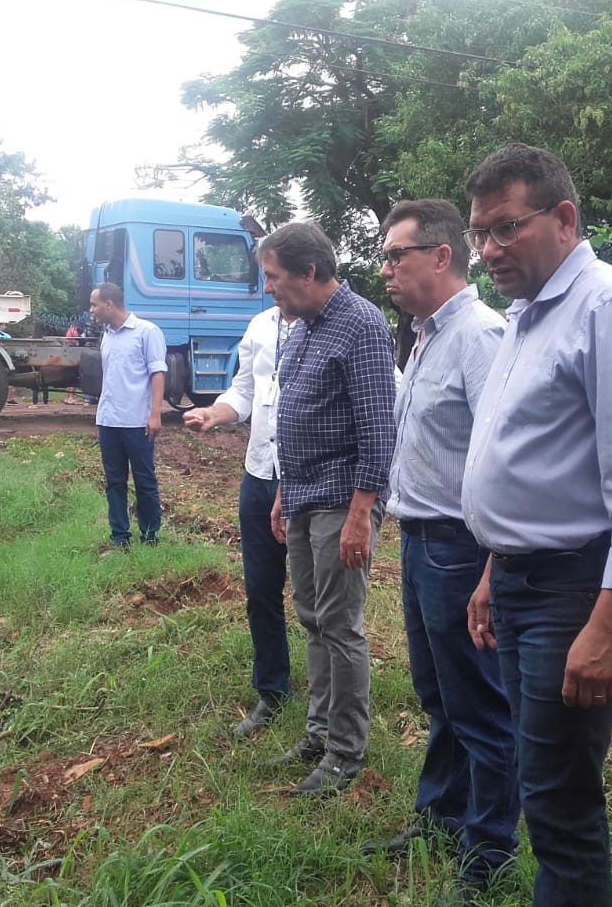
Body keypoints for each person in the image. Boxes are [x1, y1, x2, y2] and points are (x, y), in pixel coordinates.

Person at [460, 144, 612, 907]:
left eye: (505, 228)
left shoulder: (610, 309)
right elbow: (535, 464)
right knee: (539, 775)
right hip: (525, 579)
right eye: (479, 235)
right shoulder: (530, 315)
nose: (488, 250)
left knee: (558, 798)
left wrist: (610, 627)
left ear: (563, 219)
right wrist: (496, 568)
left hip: (578, 587)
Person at [362, 199, 517, 899]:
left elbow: (506, 460)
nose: (386, 269)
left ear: (442, 257)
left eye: (397, 255)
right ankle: (440, 816)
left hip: (461, 545)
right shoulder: (426, 336)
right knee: (439, 696)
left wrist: (493, 566)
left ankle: (488, 854)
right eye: (386, 257)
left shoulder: (481, 337)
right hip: (420, 540)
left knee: (480, 707)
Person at [262, 221, 397, 796]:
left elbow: (377, 428)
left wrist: (361, 512)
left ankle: (346, 750)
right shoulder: (301, 328)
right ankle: (319, 730)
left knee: (341, 627)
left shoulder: (362, 326)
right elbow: (291, 414)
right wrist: (282, 493)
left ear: (309, 273)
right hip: (302, 496)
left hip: (344, 501)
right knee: (313, 618)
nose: (268, 288)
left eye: (273, 277)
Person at [183, 303, 299, 737]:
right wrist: (215, 413)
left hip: (308, 480)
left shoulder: (336, 322)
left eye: (273, 275)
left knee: (317, 600)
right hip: (259, 473)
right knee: (260, 589)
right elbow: (245, 390)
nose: (267, 286)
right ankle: (273, 689)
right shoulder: (260, 324)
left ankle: (331, 706)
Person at [89, 282, 166, 549]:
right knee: (114, 483)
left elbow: (157, 374)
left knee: (144, 481)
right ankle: (119, 538)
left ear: (109, 304)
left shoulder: (147, 332)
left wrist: (155, 414)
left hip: (137, 422)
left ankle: (150, 537)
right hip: (109, 421)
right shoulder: (107, 334)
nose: (92, 310)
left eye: (94, 304)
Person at [0, 325, 18, 405]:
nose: (5, 327)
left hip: (10, 358)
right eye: (3, 325)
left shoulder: (7, 335)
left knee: (11, 381)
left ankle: (10, 398)